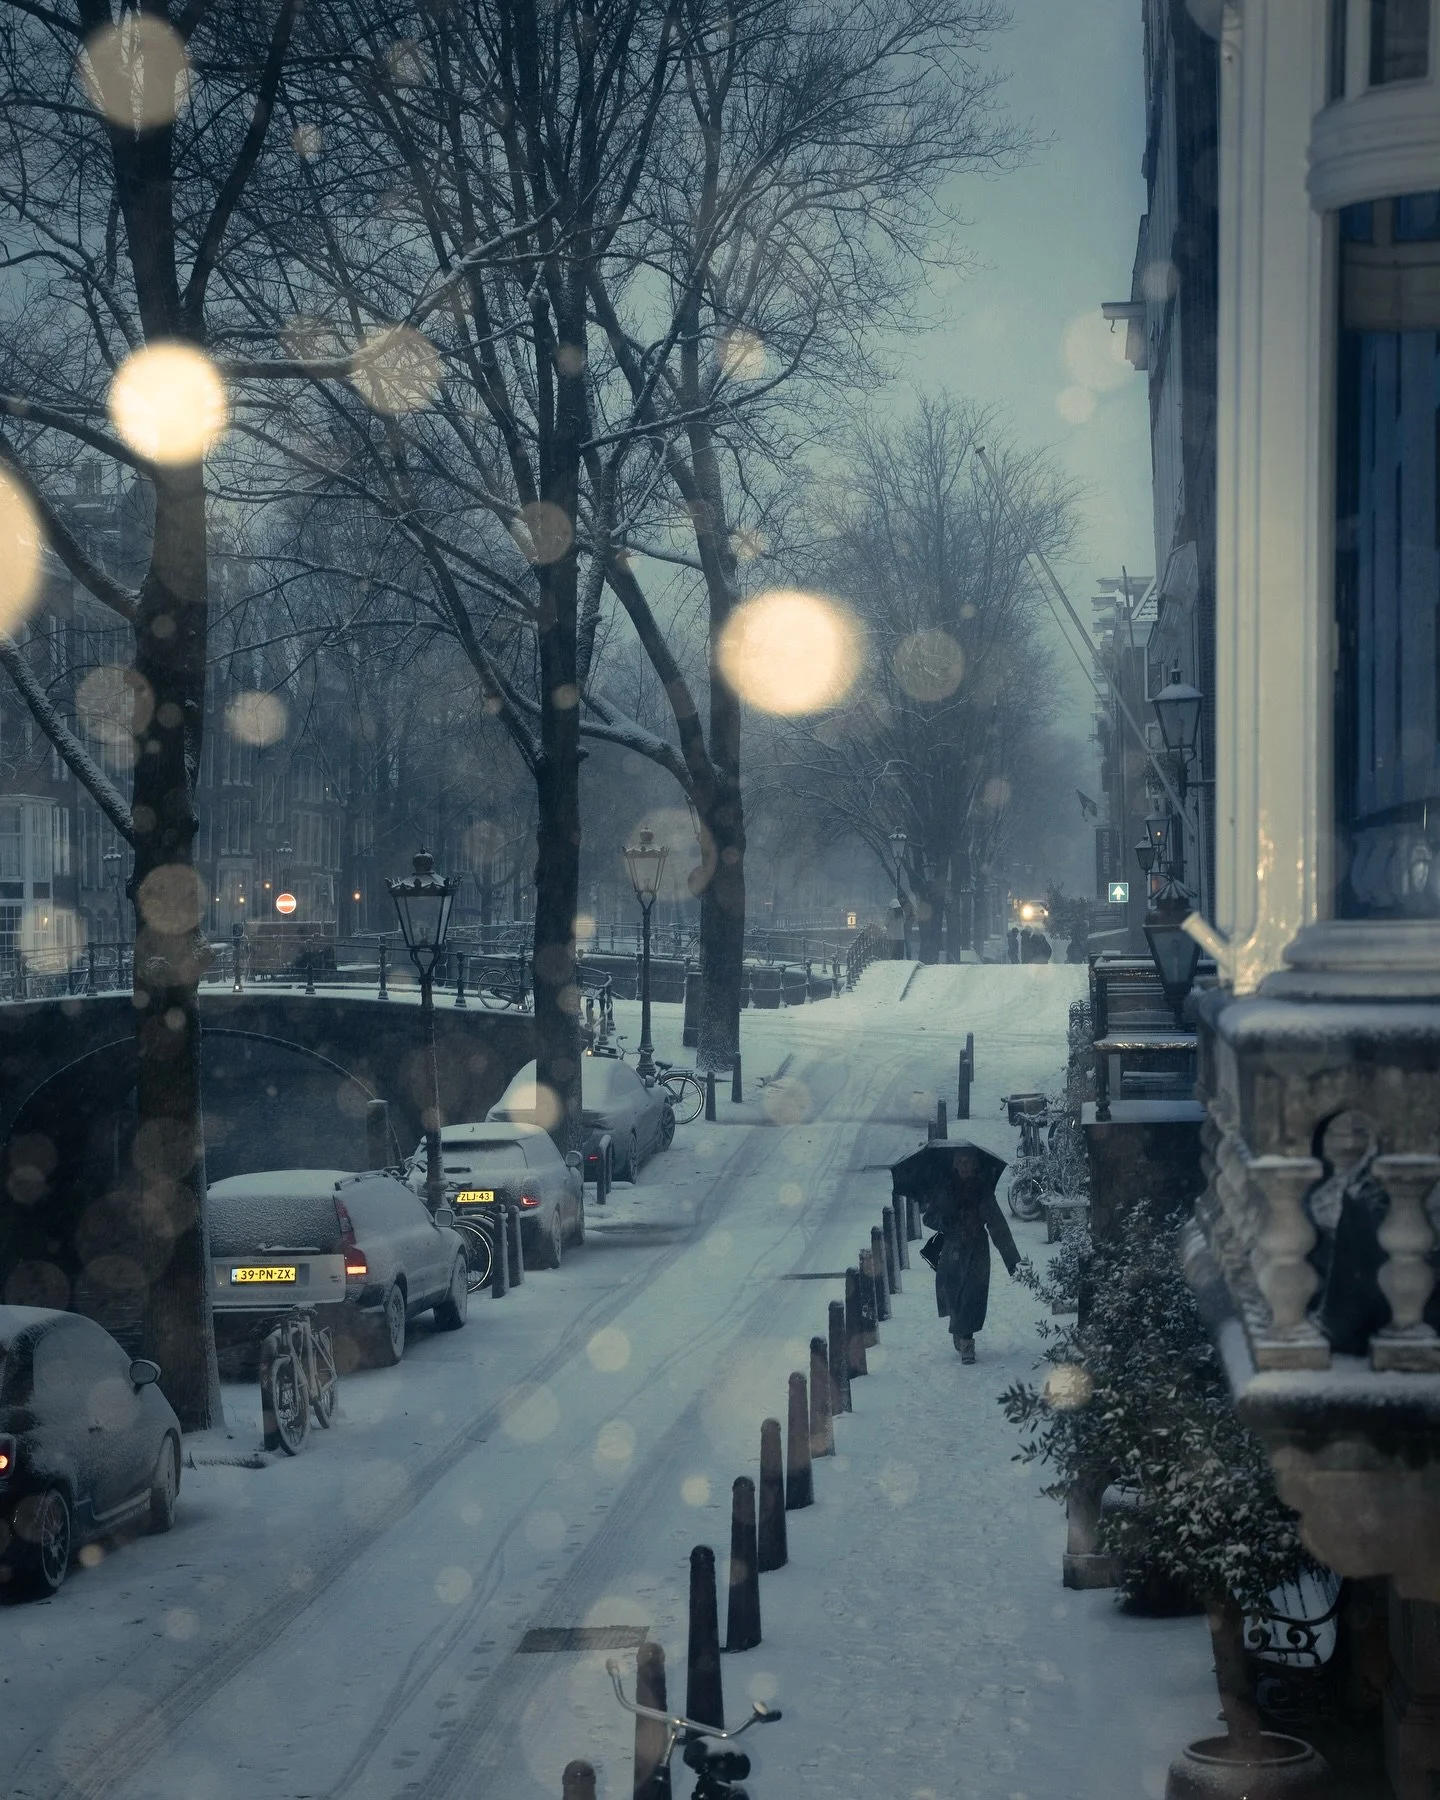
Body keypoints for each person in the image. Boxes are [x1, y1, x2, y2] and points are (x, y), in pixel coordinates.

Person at [921, 1146, 1021, 1362]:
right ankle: (959, 1330)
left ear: (975, 1165)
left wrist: (1012, 1260)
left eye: (968, 1162)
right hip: (953, 1248)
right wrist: (945, 1222)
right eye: (960, 1162)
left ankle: (967, 1342)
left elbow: (997, 1225)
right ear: (955, 1165)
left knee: (972, 1295)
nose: (964, 1166)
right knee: (953, 1291)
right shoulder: (945, 1189)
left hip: (977, 1250)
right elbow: (928, 1218)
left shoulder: (982, 1190)